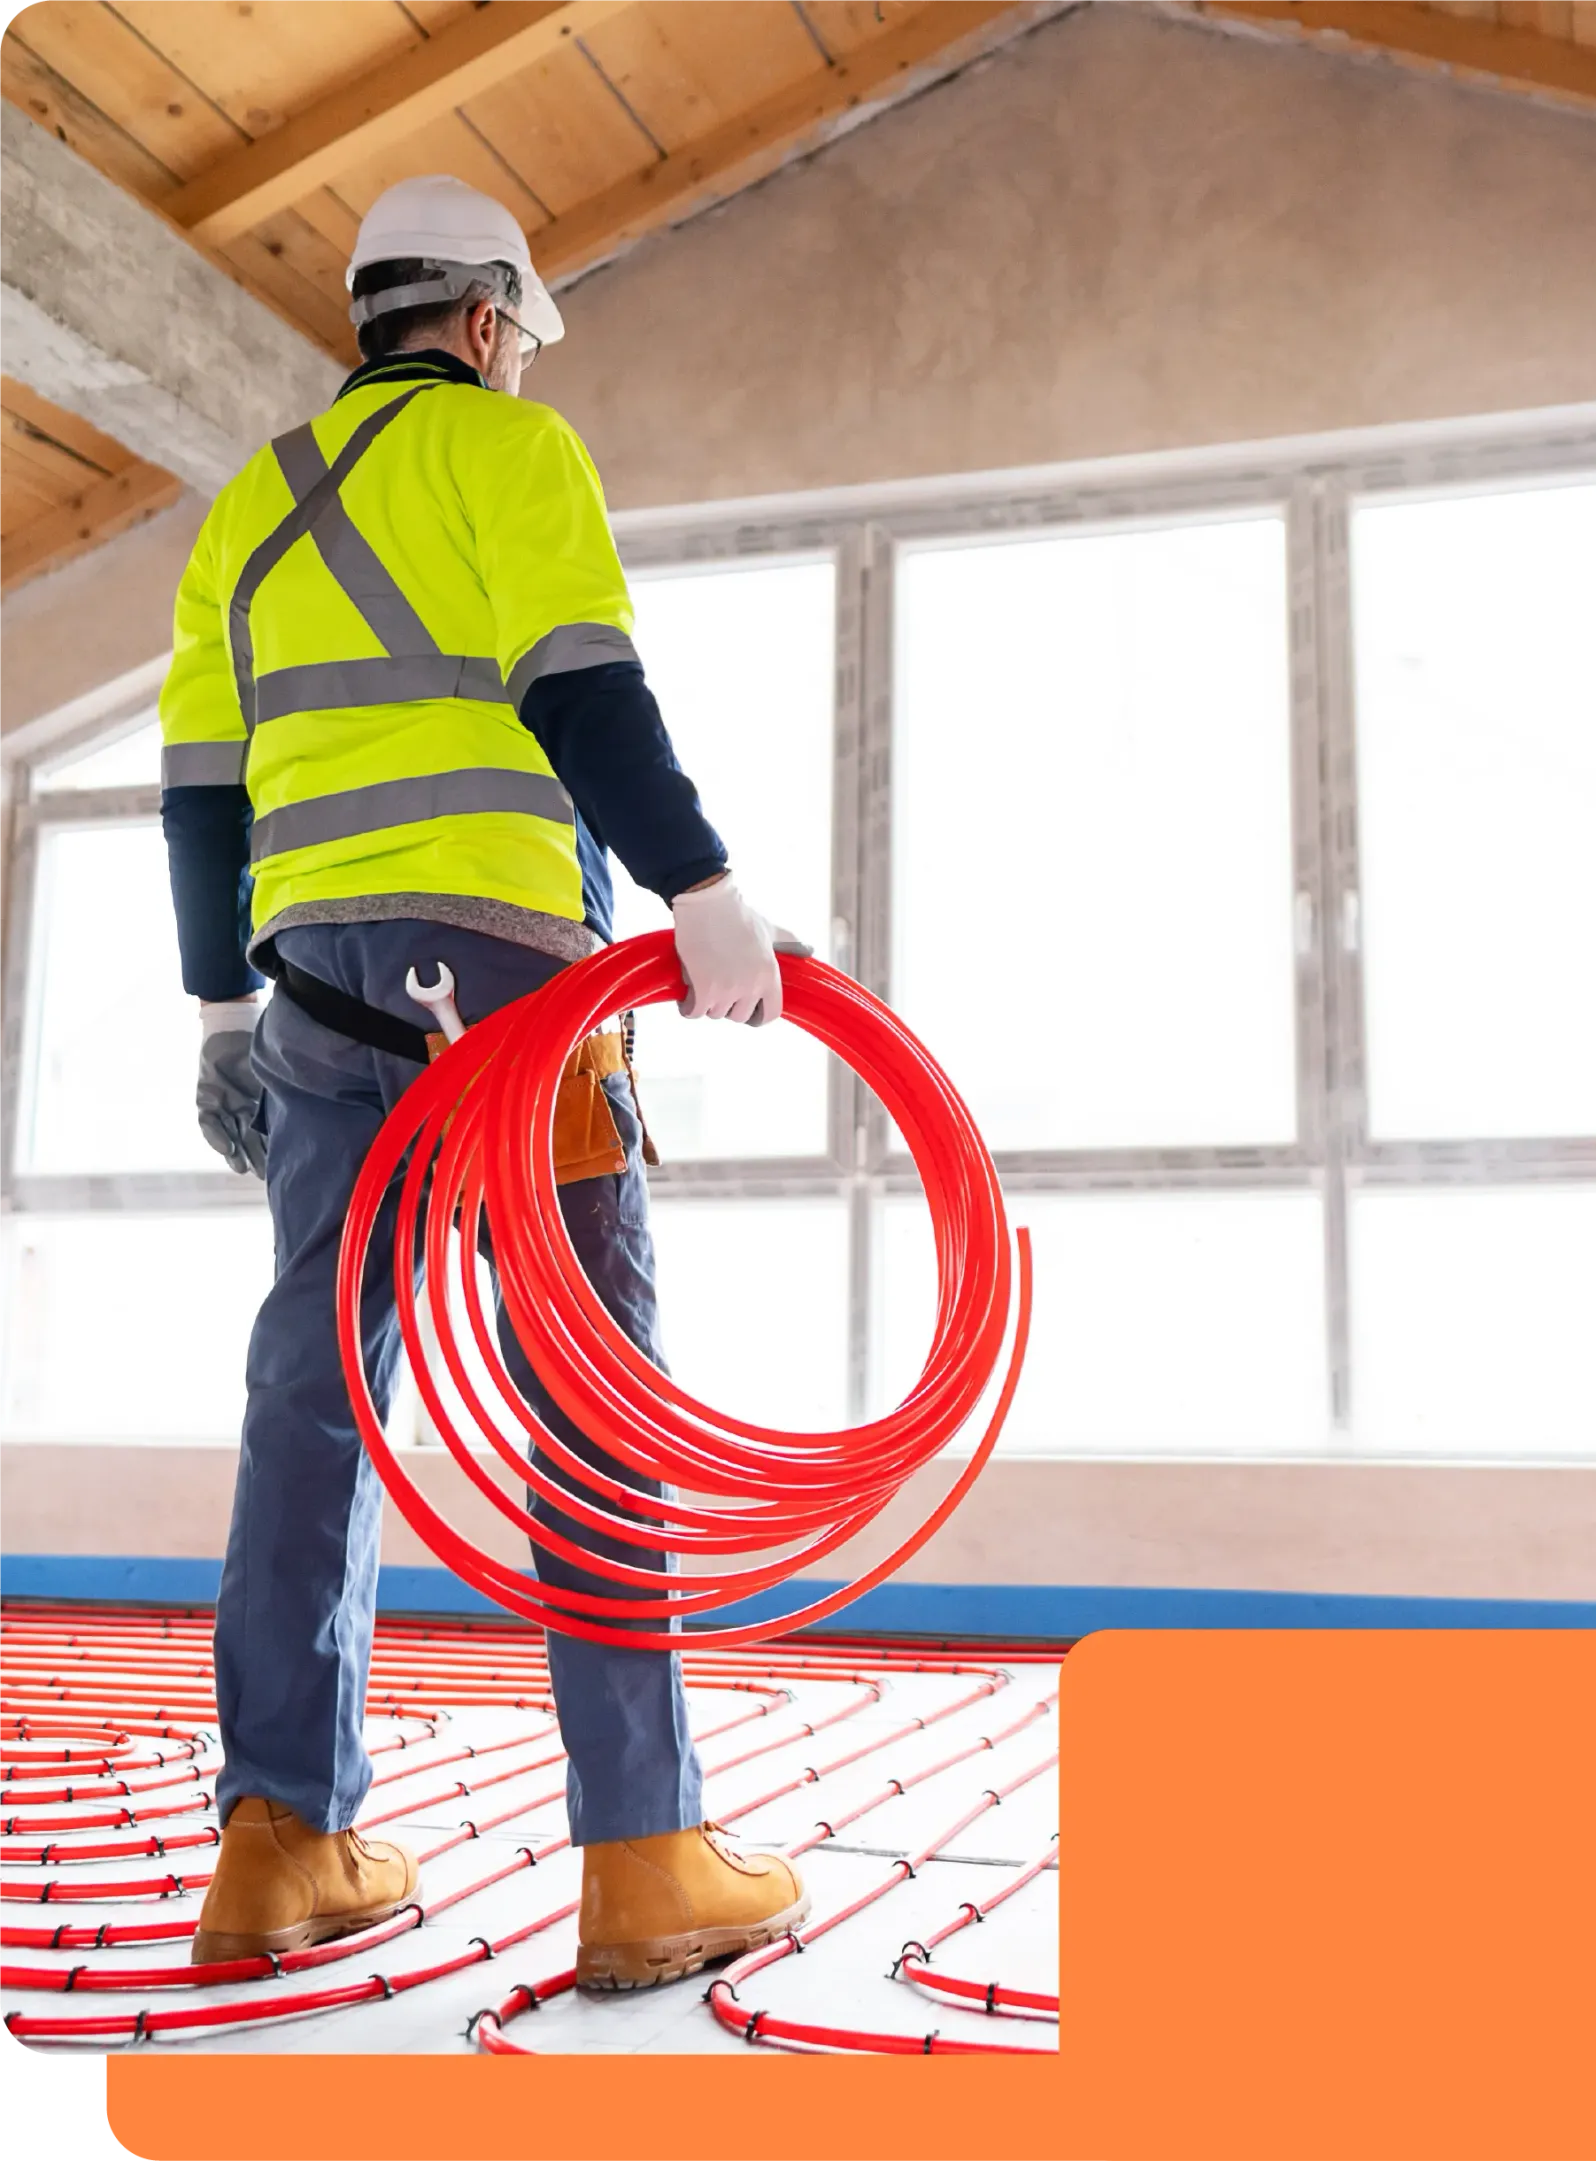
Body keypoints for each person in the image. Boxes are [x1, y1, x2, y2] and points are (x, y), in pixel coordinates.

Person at [160, 175, 808, 1991]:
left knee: (315, 1390)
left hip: (309, 1000)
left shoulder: (248, 511)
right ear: (489, 320)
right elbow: (586, 693)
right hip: (512, 991)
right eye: (522, 331)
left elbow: (203, 790)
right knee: (588, 1388)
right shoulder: (511, 458)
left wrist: (217, 1018)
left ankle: (276, 1842)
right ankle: (642, 1853)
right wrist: (703, 893)